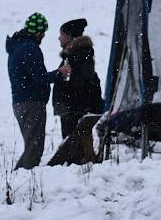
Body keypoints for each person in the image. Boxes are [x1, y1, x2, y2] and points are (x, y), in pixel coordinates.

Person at [6, 13, 71, 170]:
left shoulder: (17, 47)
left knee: (31, 146)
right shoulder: (30, 48)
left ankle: (17, 178)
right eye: (42, 32)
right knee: (34, 148)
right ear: (37, 32)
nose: (43, 36)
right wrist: (59, 73)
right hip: (31, 103)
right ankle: (24, 182)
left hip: (21, 103)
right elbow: (39, 78)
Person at [52, 18, 104, 139]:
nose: (59, 38)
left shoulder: (78, 55)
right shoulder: (74, 55)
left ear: (70, 37)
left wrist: (69, 100)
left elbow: (81, 82)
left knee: (73, 145)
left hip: (74, 110)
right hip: (72, 109)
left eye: (62, 35)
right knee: (74, 144)